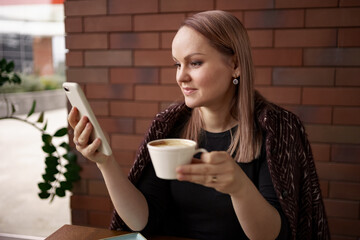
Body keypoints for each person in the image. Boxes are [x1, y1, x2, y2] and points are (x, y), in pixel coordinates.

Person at [68, 10, 330, 240]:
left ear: (235, 65)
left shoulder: (279, 129)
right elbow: (142, 221)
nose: (181, 76)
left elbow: (278, 235)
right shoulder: (168, 125)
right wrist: (106, 162)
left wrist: (238, 188)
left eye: (194, 62)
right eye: (177, 64)